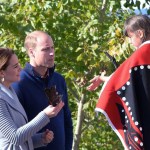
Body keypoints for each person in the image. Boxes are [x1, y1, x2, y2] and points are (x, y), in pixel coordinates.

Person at [87, 15, 150, 150]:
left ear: (140, 33)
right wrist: (104, 78)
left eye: (131, 37)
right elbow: (128, 79)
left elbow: (120, 83)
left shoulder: (140, 55)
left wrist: (103, 80)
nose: (131, 42)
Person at [12, 31, 73, 150]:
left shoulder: (58, 80)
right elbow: (16, 134)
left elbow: (67, 122)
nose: (51, 53)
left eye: (52, 48)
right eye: (45, 49)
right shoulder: (18, 83)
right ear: (31, 52)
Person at [0, 48, 64, 150]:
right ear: (2, 73)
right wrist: (45, 115)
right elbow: (14, 137)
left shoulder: (10, 91)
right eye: (15, 66)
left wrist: (41, 139)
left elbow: (17, 141)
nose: (20, 69)